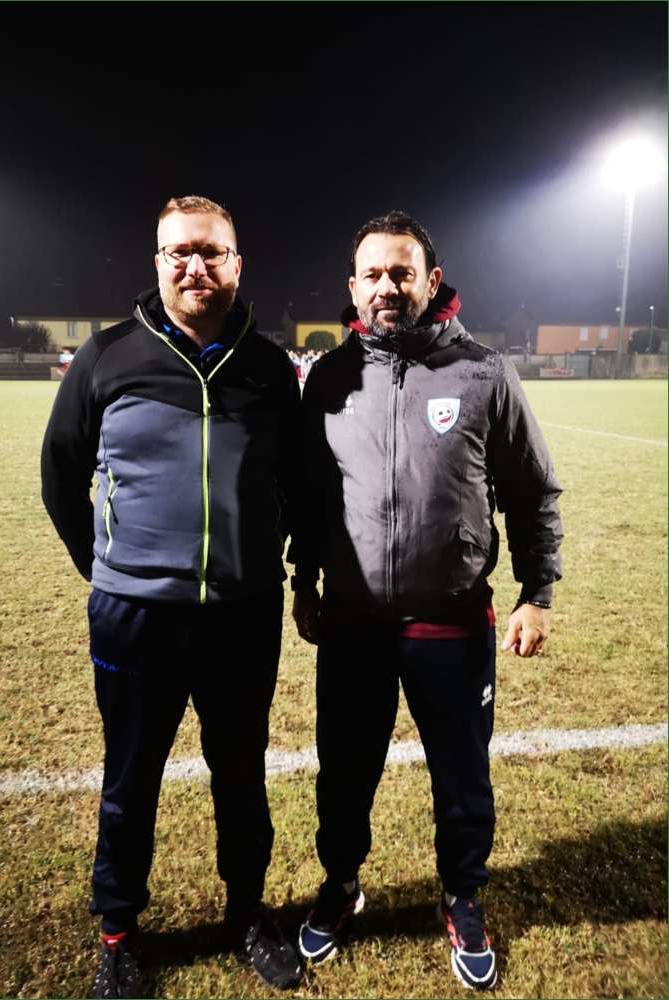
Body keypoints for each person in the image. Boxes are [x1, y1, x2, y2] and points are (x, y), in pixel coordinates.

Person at [290, 211, 563, 990]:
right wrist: (303, 583)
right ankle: (342, 884)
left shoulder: (483, 373)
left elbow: (532, 490)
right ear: (352, 287)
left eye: (401, 272)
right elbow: (310, 496)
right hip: (352, 620)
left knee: (461, 776)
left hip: (452, 617)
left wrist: (537, 593)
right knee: (345, 772)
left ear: (430, 281)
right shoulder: (329, 378)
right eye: (372, 274)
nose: (387, 286)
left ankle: (462, 894)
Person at [41, 195, 303, 997]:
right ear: (157, 263)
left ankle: (246, 912)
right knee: (131, 778)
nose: (195, 266)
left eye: (211, 252)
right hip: (134, 617)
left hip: (244, 613)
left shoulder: (269, 368)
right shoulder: (105, 356)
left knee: (241, 774)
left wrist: (279, 564)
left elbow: (298, 483)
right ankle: (119, 932)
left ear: (236, 264)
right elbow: (60, 475)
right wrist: (108, 568)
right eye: (179, 252)